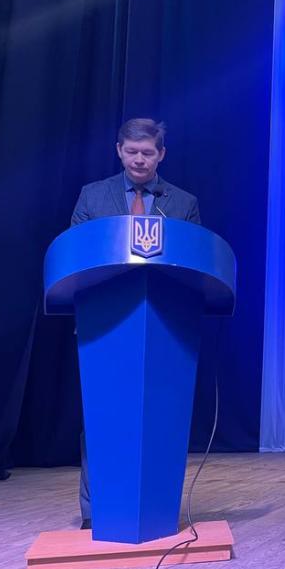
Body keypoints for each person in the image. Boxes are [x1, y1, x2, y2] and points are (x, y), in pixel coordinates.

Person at [70, 118, 202, 529]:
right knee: (102, 418)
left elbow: (195, 262)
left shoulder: (182, 203)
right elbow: (75, 254)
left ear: (161, 155)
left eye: (147, 153)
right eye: (131, 152)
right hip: (104, 324)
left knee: (161, 417)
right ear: (119, 151)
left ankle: (157, 508)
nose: (139, 160)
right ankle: (96, 511)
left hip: (164, 326)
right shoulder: (93, 196)